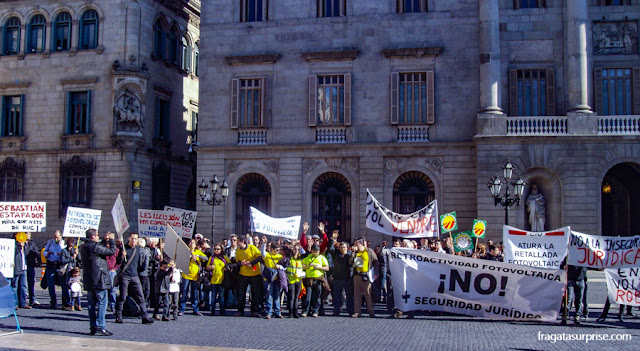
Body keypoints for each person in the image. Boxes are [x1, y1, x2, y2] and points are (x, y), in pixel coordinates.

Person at [80, 229, 117, 336]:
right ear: (92, 237)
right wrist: (112, 241)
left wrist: (105, 241)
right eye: (97, 235)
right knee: (102, 302)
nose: (98, 237)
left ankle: (93, 326)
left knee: (91, 304)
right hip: (99, 279)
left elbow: (101, 248)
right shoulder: (94, 246)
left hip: (89, 279)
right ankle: (100, 326)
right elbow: (111, 252)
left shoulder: (84, 246)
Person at [115, 233, 154, 324]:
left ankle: (145, 317)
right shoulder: (124, 249)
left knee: (141, 296)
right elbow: (118, 263)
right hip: (125, 276)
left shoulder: (137, 250)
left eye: (135, 239)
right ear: (129, 239)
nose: (134, 240)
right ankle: (118, 316)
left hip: (135, 276)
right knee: (123, 297)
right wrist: (121, 257)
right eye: (132, 238)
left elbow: (141, 264)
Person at [236, 237, 264, 317]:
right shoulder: (238, 250)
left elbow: (259, 257)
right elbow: (237, 262)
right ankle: (240, 310)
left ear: (242, 241)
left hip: (255, 274)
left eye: (238, 241)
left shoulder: (252, 248)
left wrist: (251, 262)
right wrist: (241, 263)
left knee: (255, 293)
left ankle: (254, 310)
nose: (237, 243)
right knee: (241, 293)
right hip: (243, 274)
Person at [179, 238, 207, 316]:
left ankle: (195, 309)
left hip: (195, 276)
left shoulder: (198, 251)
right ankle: (182, 309)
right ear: (188, 244)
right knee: (184, 292)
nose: (192, 244)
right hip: (186, 275)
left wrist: (198, 256)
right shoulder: (185, 252)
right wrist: (190, 258)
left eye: (193, 243)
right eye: (191, 243)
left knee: (194, 293)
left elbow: (206, 258)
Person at [43, 230, 70, 309]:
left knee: (63, 285)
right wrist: (47, 253)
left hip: (60, 265)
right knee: (51, 285)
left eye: (57, 237)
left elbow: (67, 253)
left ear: (61, 236)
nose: (56, 239)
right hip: (51, 265)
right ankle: (53, 301)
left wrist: (61, 255)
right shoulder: (50, 242)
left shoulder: (64, 243)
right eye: (55, 237)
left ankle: (65, 303)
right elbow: (44, 251)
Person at [301, 244, 329, 317]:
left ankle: (316, 311)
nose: (315, 253)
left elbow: (327, 268)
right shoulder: (308, 257)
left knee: (317, 296)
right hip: (309, 280)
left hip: (318, 280)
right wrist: (308, 266)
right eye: (313, 251)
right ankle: (306, 310)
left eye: (316, 252)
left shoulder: (322, 258)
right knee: (308, 296)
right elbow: (301, 265)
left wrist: (319, 267)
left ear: (319, 251)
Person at [351, 239, 375, 318]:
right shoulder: (355, 253)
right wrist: (353, 253)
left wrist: (376, 274)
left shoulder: (369, 251)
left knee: (368, 294)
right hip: (357, 275)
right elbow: (350, 262)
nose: (355, 246)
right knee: (357, 295)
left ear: (361, 244)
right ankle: (357, 311)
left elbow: (376, 261)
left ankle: (371, 311)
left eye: (356, 244)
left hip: (366, 275)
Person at [328, 240, 353, 316]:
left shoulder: (349, 255)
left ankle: (350, 310)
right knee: (337, 296)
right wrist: (333, 240)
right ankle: (336, 310)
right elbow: (331, 249)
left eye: (344, 247)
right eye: (341, 247)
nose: (343, 249)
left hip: (347, 278)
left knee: (349, 296)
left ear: (347, 248)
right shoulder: (336, 255)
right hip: (337, 278)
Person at [263, 243, 285, 319]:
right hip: (268, 280)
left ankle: (277, 312)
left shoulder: (280, 257)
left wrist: (280, 266)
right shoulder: (267, 255)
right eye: (276, 250)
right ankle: (269, 312)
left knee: (277, 296)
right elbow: (262, 252)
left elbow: (284, 267)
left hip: (277, 279)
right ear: (271, 249)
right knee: (269, 296)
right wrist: (263, 243)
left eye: (278, 250)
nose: (277, 251)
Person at [206, 243, 229, 316]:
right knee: (213, 296)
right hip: (213, 280)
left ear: (221, 250)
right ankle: (212, 311)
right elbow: (207, 267)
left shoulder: (224, 258)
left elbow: (230, 265)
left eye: (218, 249)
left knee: (221, 297)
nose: (216, 250)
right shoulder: (212, 258)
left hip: (222, 280)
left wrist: (227, 268)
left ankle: (222, 311)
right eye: (215, 249)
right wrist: (210, 267)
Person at [11, 236, 30, 310]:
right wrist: (19, 246)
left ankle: (23, 303)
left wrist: (24, 246)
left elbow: (27, 253)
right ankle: (15, 303)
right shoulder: (14, 243)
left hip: (23, 267)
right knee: (15, 285)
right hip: (17, 267)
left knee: (23, 285)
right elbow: (13, 253)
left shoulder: (24, 244)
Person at [60, 237, 80, 311]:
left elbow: (79, 260)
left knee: (75, 287)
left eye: (73, 241)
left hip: (73, 272)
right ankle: (65, 303)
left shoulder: (74, 250)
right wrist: (72, 258)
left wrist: (77, 255)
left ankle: (76, 304)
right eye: (70, 241)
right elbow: (63, 260)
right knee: (65, 288)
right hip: (66, 272)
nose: (72, 242)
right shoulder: (64, 251)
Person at [285, 245, 303, 318]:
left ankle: (296, 312)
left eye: (298, 250)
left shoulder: (300, 259)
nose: (296, 251)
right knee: (291, 297)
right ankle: (291, 312)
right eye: (295, 249)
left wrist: (301, 247)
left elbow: (305, 253)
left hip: (298, 280)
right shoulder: (289, 258)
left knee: (296, 297)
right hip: (291, 280)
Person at [24, 232, 41, 306]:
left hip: (31, 265)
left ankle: (32, 299)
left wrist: (38, 261)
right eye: (28, 234)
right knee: (23, 284)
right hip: (23, 266)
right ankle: (22, 299)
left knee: (31, 283)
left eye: (30, 234)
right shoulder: (20, 243)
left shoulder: (32, 243)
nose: (29, 236)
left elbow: (36, 252)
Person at [224, 234, 240, 309]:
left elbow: (238, 261)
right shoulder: (227, 250)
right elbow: (225, 259)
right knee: (229, 287)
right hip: (229, 272)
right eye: (232, 240)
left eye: (234, 240)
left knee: (237, 288)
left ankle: (236, 302)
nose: (233, 241)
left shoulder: (239, 250)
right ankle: (229, 303)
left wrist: (232, 260)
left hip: (237, 271)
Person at [105, 238, 121, 312]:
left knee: (113, 289)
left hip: (112, 271)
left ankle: (113, 305)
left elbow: (120, 260)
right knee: (105, 289)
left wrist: (115, 268)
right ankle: (107, 304)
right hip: (105, 271)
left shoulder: (116, 250)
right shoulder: (103, 250)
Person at [137, 238, 151, 305]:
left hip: (136, 272)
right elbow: (146, 264)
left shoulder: (135, 251)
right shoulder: (146, 252)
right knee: (145, 288)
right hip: (144, 273)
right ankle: (144, 301)